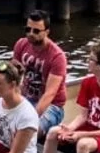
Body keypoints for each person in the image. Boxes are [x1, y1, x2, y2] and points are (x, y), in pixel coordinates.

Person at [12, 9, 67, 139]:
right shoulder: (21, 44)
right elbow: (13, 75)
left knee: (28, 132)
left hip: (51, 106)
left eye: (36, 31)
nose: (30, 34)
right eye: (28, 29)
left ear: (47, 32)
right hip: (26, 98)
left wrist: (30, 118)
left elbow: (50, 94)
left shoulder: (57, 56)